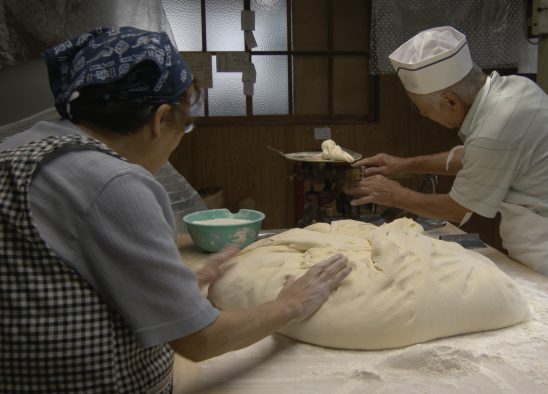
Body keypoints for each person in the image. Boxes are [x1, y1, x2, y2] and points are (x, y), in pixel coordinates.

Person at [0, 26, 351, 393]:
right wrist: (291, 304)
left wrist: (176, 282)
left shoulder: (20, 147)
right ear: (160, 118)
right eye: (184, 126)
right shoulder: (114, 183)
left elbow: (53, 271)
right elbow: (199, 340)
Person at [349, 26, 548, 305]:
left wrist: (395, 195)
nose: (426, 116)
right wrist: (403, 165)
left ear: (451, 101)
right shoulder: (511, 90)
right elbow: (474, 158)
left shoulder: (499, 122)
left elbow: (459, 207)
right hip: (545, 244)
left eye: (425, 111)